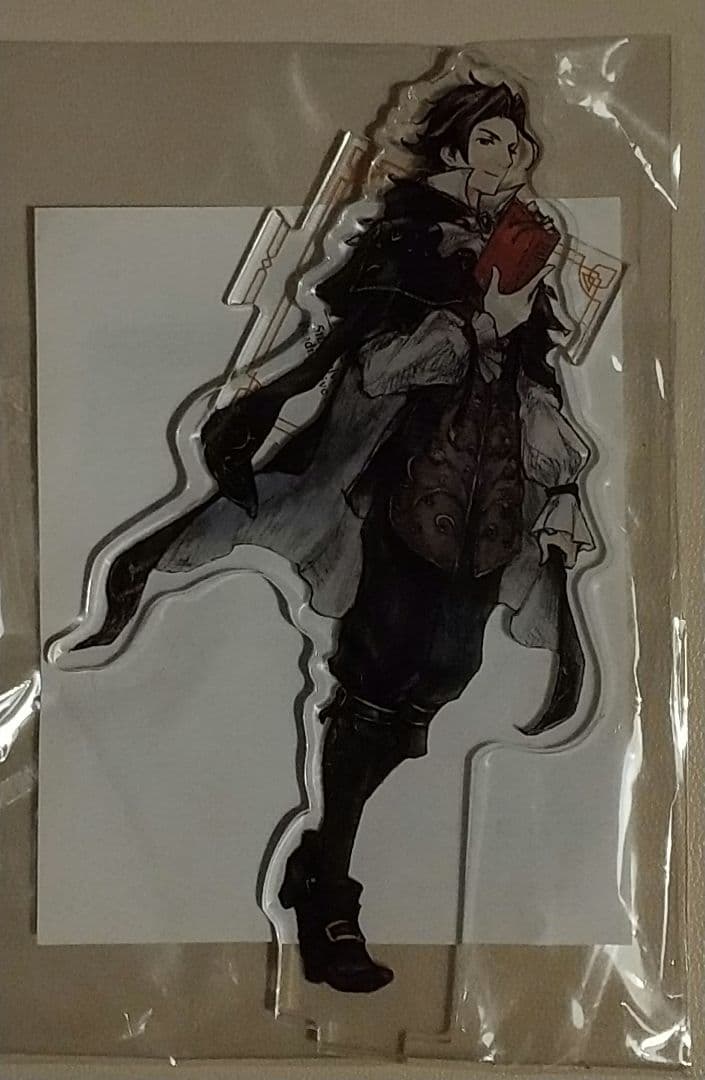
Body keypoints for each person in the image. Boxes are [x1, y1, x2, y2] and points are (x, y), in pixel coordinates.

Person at [69, 76, 594, 993]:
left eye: (517, 142)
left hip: (489, 508)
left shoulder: (526, 254)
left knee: (442, 675)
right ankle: (330, 896)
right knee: (379, 675)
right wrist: (479, 319)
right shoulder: (408, 242)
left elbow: (537, 384)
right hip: (395, 496)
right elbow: (376, 367)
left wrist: (562, 483)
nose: (511, 156)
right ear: (453, 151)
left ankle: (317, 857)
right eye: (490, 140)